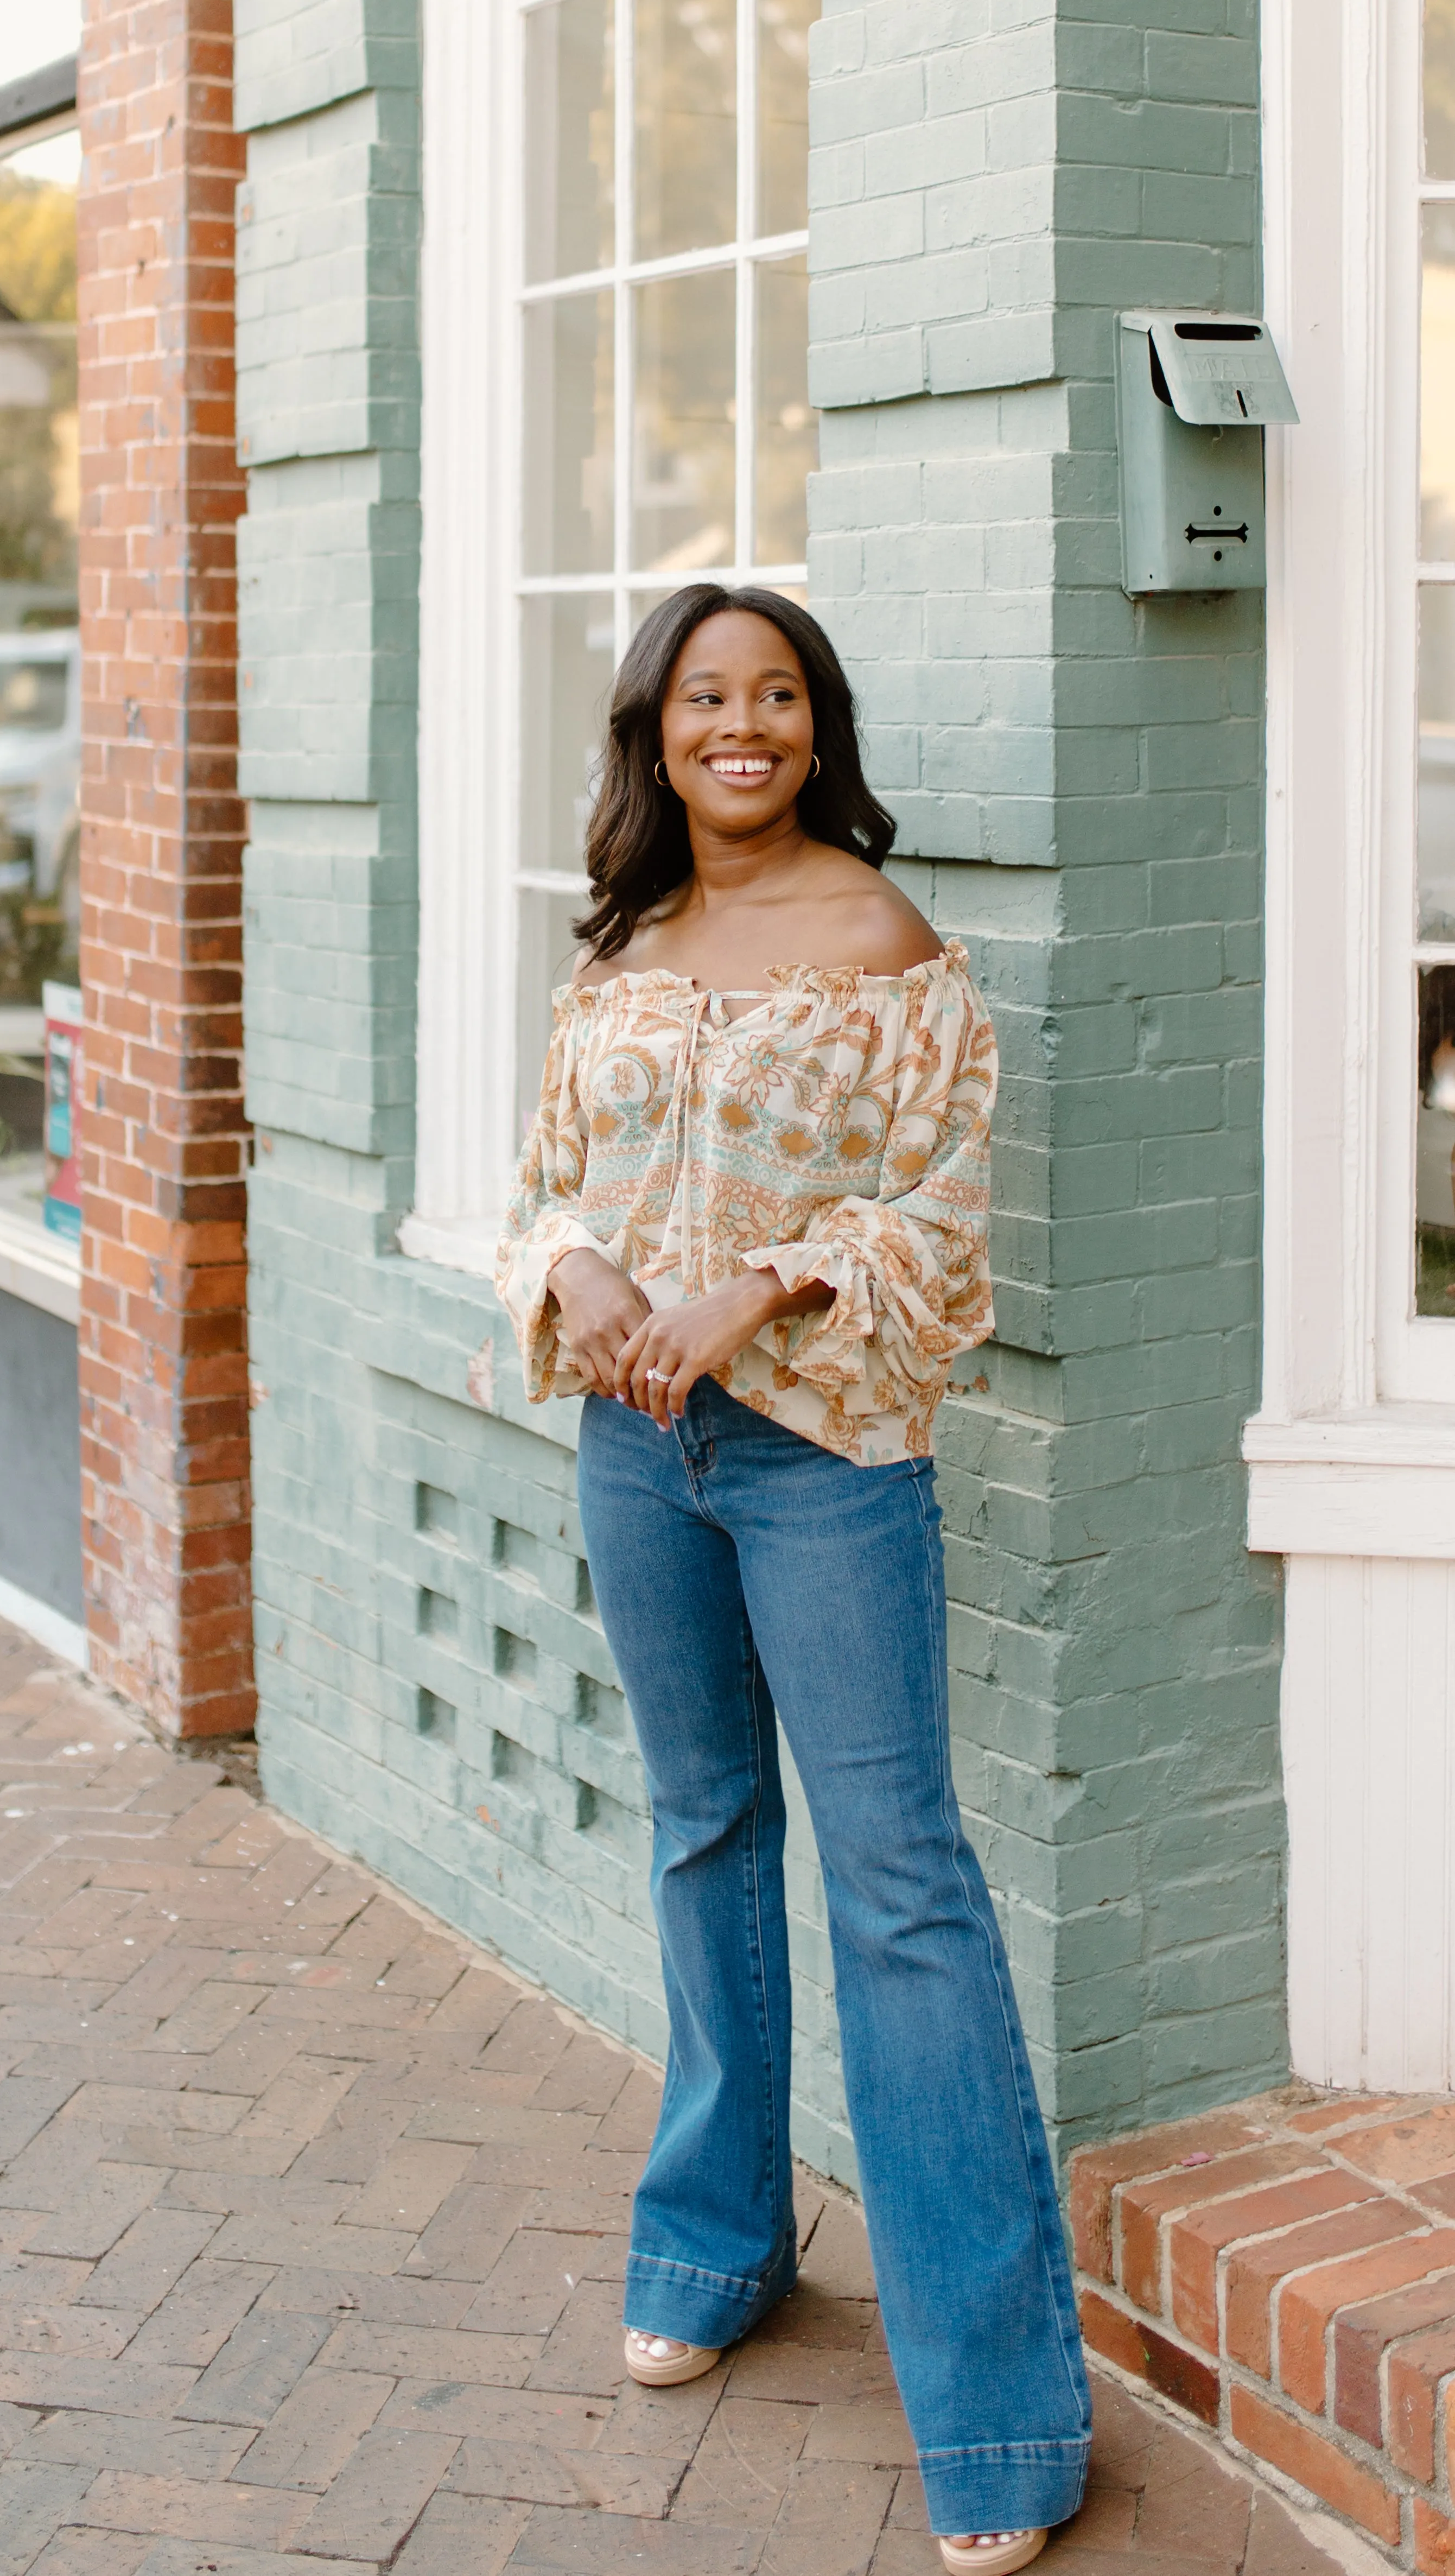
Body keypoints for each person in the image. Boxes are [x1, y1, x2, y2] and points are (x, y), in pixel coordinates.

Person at [494, 583, 1090, 2576]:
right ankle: (719, 2243)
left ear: (814, 727)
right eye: (699, 696)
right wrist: (576, 1269)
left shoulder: (885, 940)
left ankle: (1004, 2426)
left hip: (825, 1454)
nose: (735, 725)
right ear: (655, 733)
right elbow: (548, 1185)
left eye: (772, 695)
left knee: (901, 1885)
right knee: (699, 1833)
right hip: (633, 1447)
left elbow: (941, 1200)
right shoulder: (623, 945)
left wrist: (761, 1278)